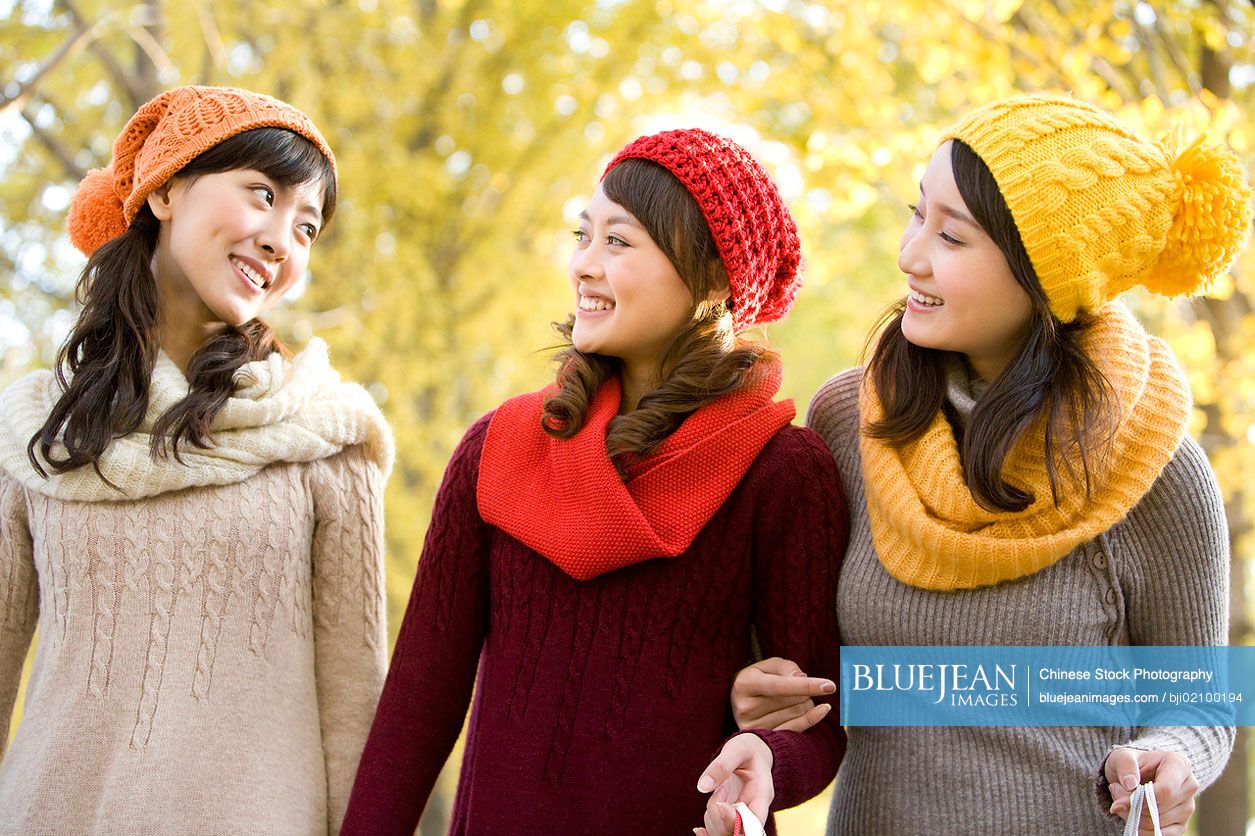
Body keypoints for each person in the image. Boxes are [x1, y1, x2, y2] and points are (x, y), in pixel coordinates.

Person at [723, 94, 1251, 835]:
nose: (910, 255)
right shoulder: (849, 422)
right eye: (917, 214)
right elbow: (821, 681)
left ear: (1041, 275)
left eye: (952, 236)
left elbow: (1197, 703)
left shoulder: (1152, 465)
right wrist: (762, 697)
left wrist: (1173, 755)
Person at [340, 128, 848, 834]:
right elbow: (416, 707)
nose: (583, 264)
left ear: (709, 276)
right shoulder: (496, 450)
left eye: (618, 241)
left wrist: (766, 759)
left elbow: (819, 717)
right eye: (583, 235)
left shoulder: (782, 473)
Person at [0, 86, 393, 835]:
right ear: (170, 189)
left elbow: (355, 707)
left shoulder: (323, 436)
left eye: (307, 227)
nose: (283, 238)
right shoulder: (32, 430)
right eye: (262, 193)